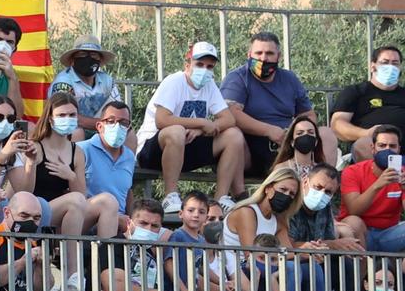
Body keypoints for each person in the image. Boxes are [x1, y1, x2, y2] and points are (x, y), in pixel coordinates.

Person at [136, 41, 245, 214]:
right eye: (199, 64)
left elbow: (229, 119)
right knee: (176, 131)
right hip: (154, 149)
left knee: (234, 135)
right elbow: (162, 120)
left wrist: (203, 129)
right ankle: (170, 195)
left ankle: (220, 199)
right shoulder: (174, 82)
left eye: (209, 66)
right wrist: (202, 123)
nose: (204, 70)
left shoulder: (209, 86)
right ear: (187, 65)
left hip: (186, 147)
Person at [221, 32, 324, 181]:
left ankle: (321, 186)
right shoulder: (237, 78)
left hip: (288, 142)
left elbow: (309, 114)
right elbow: (231, 113)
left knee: (326, 134)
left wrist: (298, 131)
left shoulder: (290, 78)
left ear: (278, 56)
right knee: (233, 133)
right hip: (251, 146)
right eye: (258, 53)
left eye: (269, 53)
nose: (263, 58)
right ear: (249, 55)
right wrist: (268, 131)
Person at [32, 87, 120, 238]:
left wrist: (70, 176)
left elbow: (81, 196)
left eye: (72, 115)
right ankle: (71, 261)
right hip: (38, 212)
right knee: (74, 201)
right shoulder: (35, 147)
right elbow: (22, 190)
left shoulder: (77, 152)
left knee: (108, 201)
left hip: (68, 215)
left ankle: (107, 258)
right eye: (61, 115)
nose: (67, 119)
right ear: (50, 119)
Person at [328, 46, 405, 163]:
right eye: (385, 63)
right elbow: (337, 125)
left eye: (395, 63)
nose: (390, 67)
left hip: (401, 147)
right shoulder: (356, 92)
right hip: (370, 149)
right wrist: (367, 133)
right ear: (372, 66)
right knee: (364, 144)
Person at [343, 123, 405, 255]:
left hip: (389, 235)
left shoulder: (402, 173)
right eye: (382, 146)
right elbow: (353, 209)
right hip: (361, 233)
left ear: (399, 149)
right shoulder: (353, 171)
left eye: (392, 146)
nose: (387, 150)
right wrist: (378, 184)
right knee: (353, 221)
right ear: (373, 149)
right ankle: (361, 274)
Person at [77, 98, 137, 218]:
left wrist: (132, 222)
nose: (117, 126)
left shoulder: (129, 157)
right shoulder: (82, 150)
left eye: (123, 123)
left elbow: (127, 192)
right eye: (111, 121)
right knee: (107, 203)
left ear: (129, 128)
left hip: (121, 223)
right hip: (88, 219)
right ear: (99, 126)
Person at [48, 39, 118, 134]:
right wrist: (105, 124)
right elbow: (65, 117)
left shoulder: (108, 81)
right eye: (82, 55)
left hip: (100, 133)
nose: (88, 59)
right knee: (78, 133)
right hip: (69, 133)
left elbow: (118, 110)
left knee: (130, 135)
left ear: (100, 60)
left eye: (94, 55)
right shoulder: (63, 82)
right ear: (72, 60)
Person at [268, 107, 328, 181]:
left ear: (316, 142)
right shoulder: (281, 168)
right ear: (292, 142)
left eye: (310, 132)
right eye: (300, 133)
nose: (306, 135)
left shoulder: (322, 170)